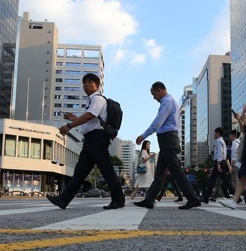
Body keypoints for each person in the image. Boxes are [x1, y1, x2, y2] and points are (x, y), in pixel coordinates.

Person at [46, 73, 125, 210]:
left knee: (106, 170)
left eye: (90, 82)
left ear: (97, 85)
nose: (86, 85)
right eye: (84, 83)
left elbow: (89, 116)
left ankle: (118, 200)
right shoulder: (91, 101)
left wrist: (69, 126)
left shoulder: (97, 99)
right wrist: (74, 118)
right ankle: (63, 200)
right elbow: (91, 120)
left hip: (97, 138)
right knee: (80, 172)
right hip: (92, 139)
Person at [133, 81, 201, 210]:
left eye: (153, 94)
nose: (154, 98)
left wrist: (143, 135)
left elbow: (158, 121)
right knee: (159, 174)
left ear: (159, 90)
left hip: (167, 139)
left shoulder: (167, 102)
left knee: (176, 171)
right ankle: (149, 200)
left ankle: (193, 198)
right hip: (167, 139)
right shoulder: (171, 101)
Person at [202, 127, 234, 203]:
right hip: (221, 162)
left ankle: (206, 198)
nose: (214, 134)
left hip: (219, 162)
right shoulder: (222, 141)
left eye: (214, 133)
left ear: (218, 133)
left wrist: (218, 164)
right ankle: (237, 196)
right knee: (224, 181)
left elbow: (220, 153)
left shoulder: (219, 141)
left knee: (213, 181)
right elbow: (224, 153)